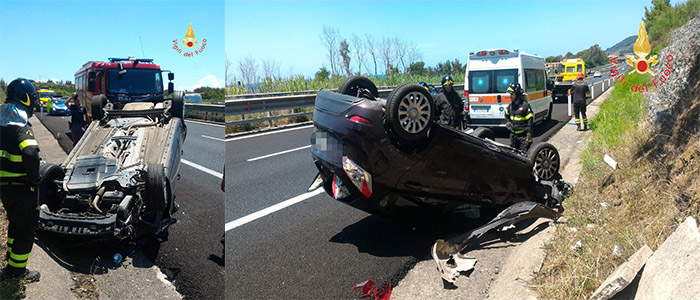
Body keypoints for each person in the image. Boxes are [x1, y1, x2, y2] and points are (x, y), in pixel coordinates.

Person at [0, 78, 41, 282]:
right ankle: (16, 272)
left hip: (4, 189)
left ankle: (10, 259)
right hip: (22, 188)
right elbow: (31, 152)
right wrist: (35, 179)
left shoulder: (1, 120)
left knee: (15, 224)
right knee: (25, 230)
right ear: (26, 99)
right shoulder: (21, 125)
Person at [504, 82, 534, 152]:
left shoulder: (525, 106)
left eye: (512, 94)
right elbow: (506, 114)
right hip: (513, 136)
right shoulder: (511, 106)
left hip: (523, 137)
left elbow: (530, 120)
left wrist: (529, 134)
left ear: (517, 94)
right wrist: (508, 121)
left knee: (523, 157)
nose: (510, 96)